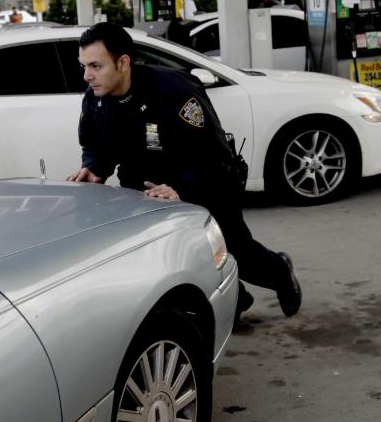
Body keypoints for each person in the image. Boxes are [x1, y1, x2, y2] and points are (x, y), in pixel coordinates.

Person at [66, 23, 302, 320]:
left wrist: (181, 188)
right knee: (172, 258)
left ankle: (280, 272)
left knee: (234, 248)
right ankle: (236, 300)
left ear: (123, 62)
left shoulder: (174, 90)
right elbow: (95, 143)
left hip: (205, 181)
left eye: (95, 66)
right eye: (84, 66)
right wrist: (93, 168)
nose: (87, 76)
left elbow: (213, 153)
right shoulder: (96, 98)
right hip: (145, 191)